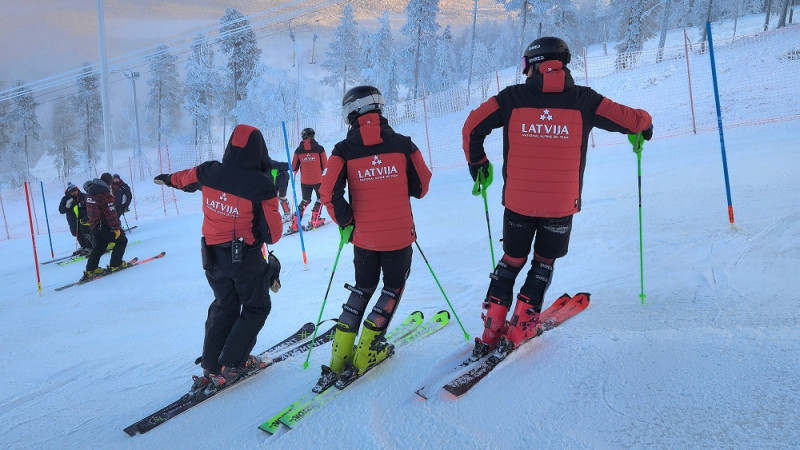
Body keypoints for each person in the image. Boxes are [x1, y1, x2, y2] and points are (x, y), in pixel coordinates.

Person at [463, 36, 654, 356]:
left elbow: (472, 127)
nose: (524, 72)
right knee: (542, 263)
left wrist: (478, 162)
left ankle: (492, 327)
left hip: (518, 203)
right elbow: (630, 119)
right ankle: (522, 324)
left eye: (525, 65)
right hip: (560, 206)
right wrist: (644, 124)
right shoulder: (585, 100)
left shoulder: (511, 98)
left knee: (511, 261)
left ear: (535, 65)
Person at [315, 85, 432, 390]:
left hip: (364, 237)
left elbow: (327, 192)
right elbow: (422, 186)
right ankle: (368, 349)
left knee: (364, 287)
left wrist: (346, 219)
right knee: (392, 288)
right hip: (399, 236)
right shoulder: (404, 144)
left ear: (351, 114)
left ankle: (340, 355)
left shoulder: (343, 150)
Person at [153, 124, 284, 391]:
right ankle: (234, 363)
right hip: (244, 257)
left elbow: (185, 178)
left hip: (211, 256)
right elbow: (273, 234)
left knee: (224, 304)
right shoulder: (260, 185)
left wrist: (166, 178)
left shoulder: (209, 171)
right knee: (256, 307)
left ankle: (211, 365)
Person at [81, 178, 128, 280]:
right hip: (105, 226)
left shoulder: (89, 196)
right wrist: (116, 228)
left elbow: (92, 211)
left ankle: (91, 269)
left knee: (99, 247)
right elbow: (110, 214)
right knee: (122, 241)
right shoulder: (105, 196)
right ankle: (116, 264)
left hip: (95, 226)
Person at [289, 127, 327, 232]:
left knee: (305, 200)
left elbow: (294, 167)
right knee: (320, 198)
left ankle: (295, 223)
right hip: (318, 179)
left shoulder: (298, 150)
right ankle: (315, 220)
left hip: (305, 181)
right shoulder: (320, 149)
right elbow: (325, 165)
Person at [58, 182, 92, 255]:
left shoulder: (83, 196)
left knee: (86, 232)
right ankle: (83, 246)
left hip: (84, 219)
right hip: (72, 220)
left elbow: (90, 207)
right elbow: (61, 210)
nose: (74, 192)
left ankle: (90, 247)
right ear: (69, 192)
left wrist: (88, 216)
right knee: (77, 233)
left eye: (75, 190)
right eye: (72, 191)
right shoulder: (65, 199)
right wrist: (67, 206)